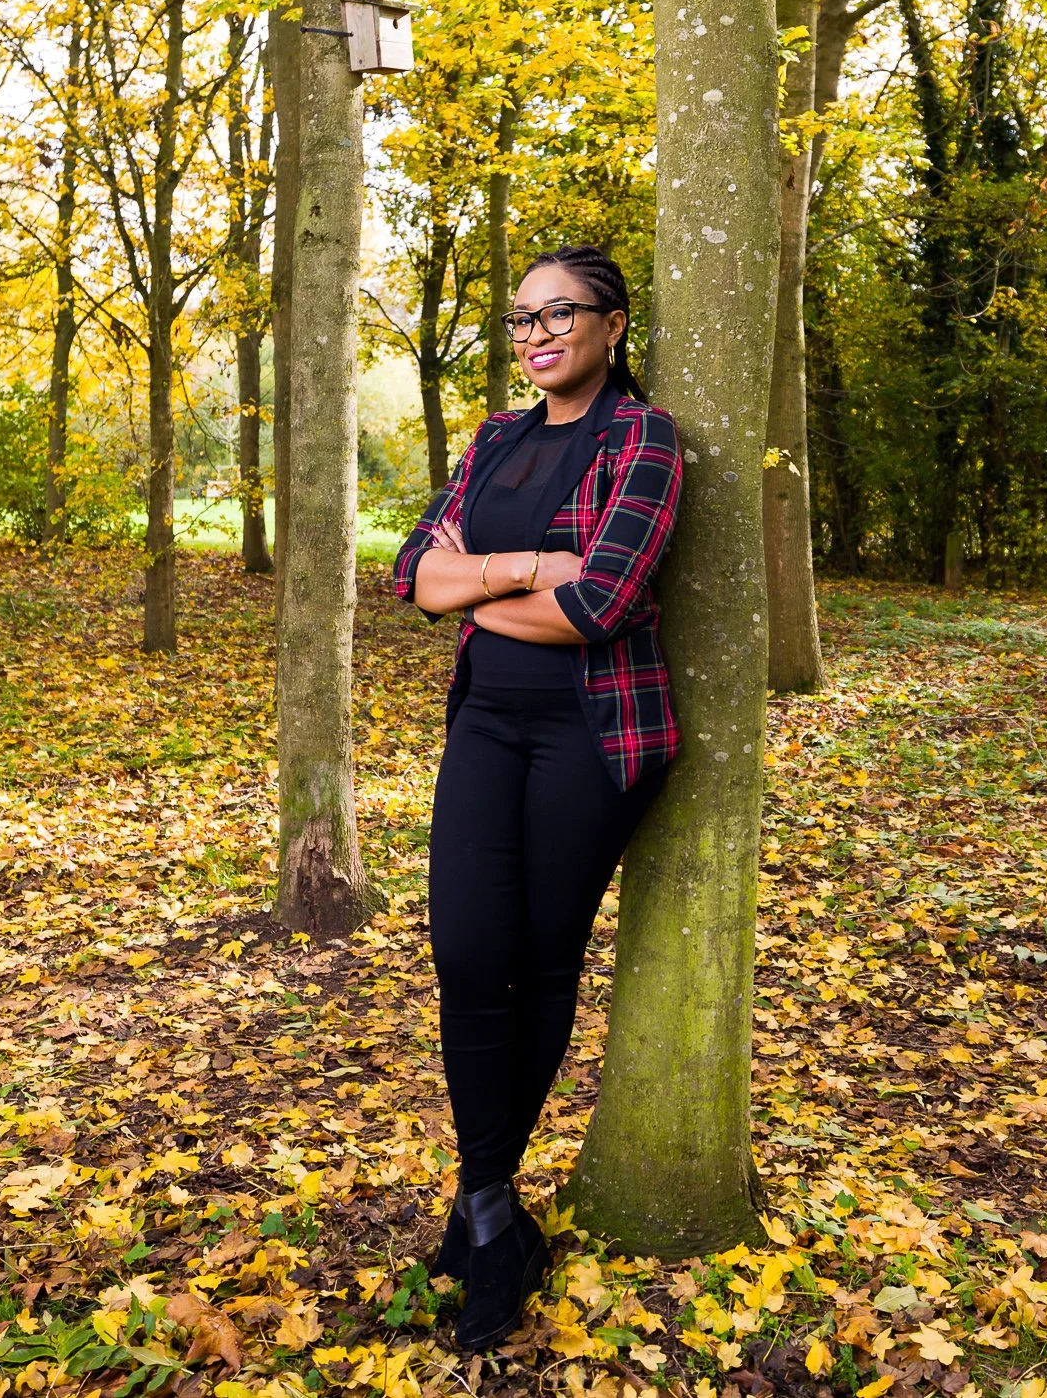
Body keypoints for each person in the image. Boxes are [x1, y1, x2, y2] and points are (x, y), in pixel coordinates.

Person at [390, 245, 682, 1349]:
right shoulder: (495, 439)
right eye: (520, 318)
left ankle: (484, 1211)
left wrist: (479, 583)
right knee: (466, 951)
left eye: (561, 313)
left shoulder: (641, 439)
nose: (537, 333)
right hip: (487, 722)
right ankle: (490, 1199)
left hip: (594, 734)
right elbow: (415, 577)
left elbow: (604, 602)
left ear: (612, 325)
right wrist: (525, 571)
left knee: (540, 959)